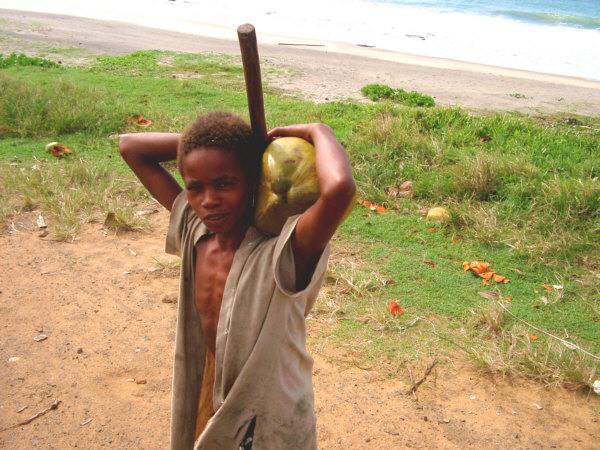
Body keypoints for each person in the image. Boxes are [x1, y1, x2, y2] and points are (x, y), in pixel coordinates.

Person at [118, 111, 355, 449]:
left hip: (268, 413)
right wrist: (223, 148)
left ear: (254, 179)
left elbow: (340, 189)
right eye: (195, 187)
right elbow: (131, 147)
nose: (209, 200)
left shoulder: (283, 253)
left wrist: (319, 129)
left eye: (225, 183)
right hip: (213, 387)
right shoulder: (193, 227)